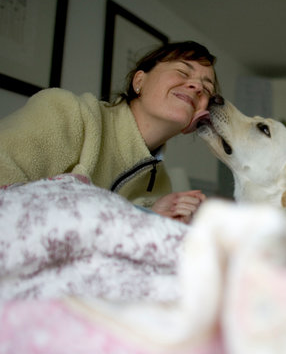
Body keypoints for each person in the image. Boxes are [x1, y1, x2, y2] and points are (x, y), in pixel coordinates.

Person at [0, 40, 218, 223]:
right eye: (182, 72)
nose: (197, 87)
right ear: (139, 81)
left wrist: (154, 218)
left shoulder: (162, 187)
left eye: (206, 89)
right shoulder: (66, 112)